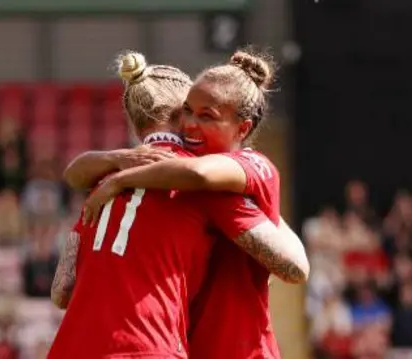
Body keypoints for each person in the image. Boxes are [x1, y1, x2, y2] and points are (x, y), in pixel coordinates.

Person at [48, 52, 306, 359]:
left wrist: (116, 174)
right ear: (177, 115)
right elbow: (294, 266)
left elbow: (61, 292)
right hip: (157, 348)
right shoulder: (197, 185)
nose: (192, 123)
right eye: (188, 111)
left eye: (205, 116)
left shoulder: (103, 186)